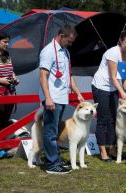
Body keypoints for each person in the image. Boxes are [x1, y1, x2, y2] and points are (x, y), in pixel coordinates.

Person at [39, 25, 84, 174]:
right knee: (50, 131)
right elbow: (43, 76)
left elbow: (68, 76)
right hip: (52, 98)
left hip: (62, 97)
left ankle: (55, 159)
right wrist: (48, 98)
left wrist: (77, 93)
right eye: (69, 41)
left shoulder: (65, 52)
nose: (70, 44)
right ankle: (51, 164)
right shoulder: (48, 51)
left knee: (55, 130)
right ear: (61, 36)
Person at [92, 30, 126, 161]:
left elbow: (125, 78)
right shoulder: (113, 53)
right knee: (103, 119)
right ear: (120, 41)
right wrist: (122, 92)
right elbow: (112, 76)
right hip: (101, 87)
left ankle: (112, 148)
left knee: (114, 118)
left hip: (114, 88)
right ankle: (103, 151)